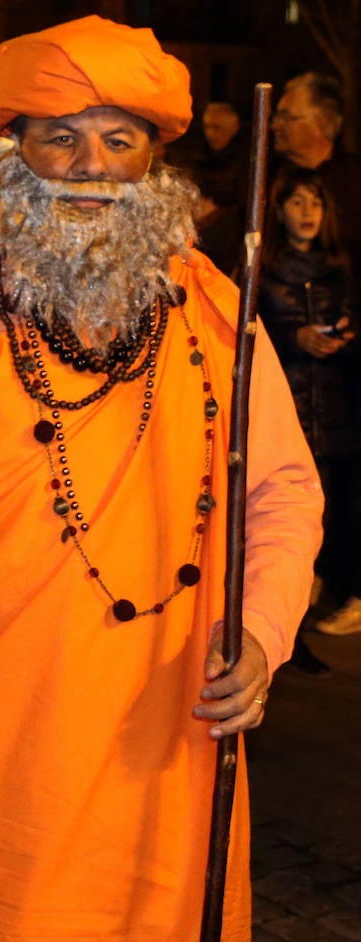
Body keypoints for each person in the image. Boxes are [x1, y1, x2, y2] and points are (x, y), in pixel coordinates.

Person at [0, 16, 323, 941]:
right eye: (60, 135)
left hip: (165, 764)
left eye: (119, 138)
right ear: (14, 152)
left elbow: (284, 493)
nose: (90, 164)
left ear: (154, 162)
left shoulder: (216, 306)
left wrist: (260, 631)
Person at [256, 168, 361, 637]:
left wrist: (345, 338)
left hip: (337, 405)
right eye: (297, 203)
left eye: (315, 205)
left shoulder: (340, 268)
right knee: (285, 513)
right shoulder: (263, 268)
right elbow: (248, 335)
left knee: (339, 506)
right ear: (281, 211)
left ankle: (330, 590)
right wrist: (294, 338)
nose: (307, 214)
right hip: (288, 405)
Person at [272, 72, 361, 263]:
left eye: (286, 118)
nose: (274, 126)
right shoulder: (268, 178)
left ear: (320, 122)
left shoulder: (353, 181)